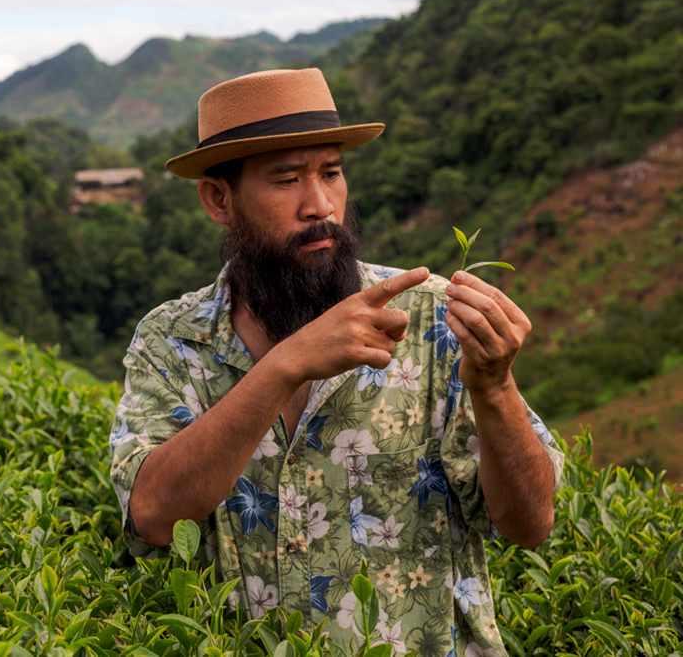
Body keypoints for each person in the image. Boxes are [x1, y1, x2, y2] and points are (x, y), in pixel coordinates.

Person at [108, 68, 563, 657]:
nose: (319, 204)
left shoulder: (429, 321)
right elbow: (151, 515)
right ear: (220, 199)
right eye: (287, 179)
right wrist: (284, 366)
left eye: (331, 172)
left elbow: (529, 526)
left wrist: (496, 386)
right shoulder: (172, 341)